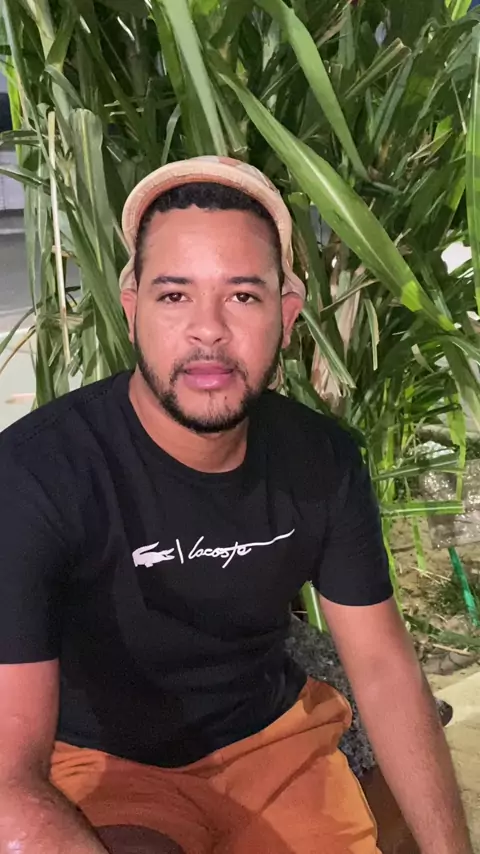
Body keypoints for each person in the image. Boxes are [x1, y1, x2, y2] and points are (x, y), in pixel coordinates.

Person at [0, 156, 472, 854]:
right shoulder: (34, 474)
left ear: (286, 314)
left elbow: (380, 666)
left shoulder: (322, 460)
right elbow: (9, 772)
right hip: (110, 768)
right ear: (131, 310)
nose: (208, 330)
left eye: (244, 296)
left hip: (274, 747)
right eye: (174, 295)